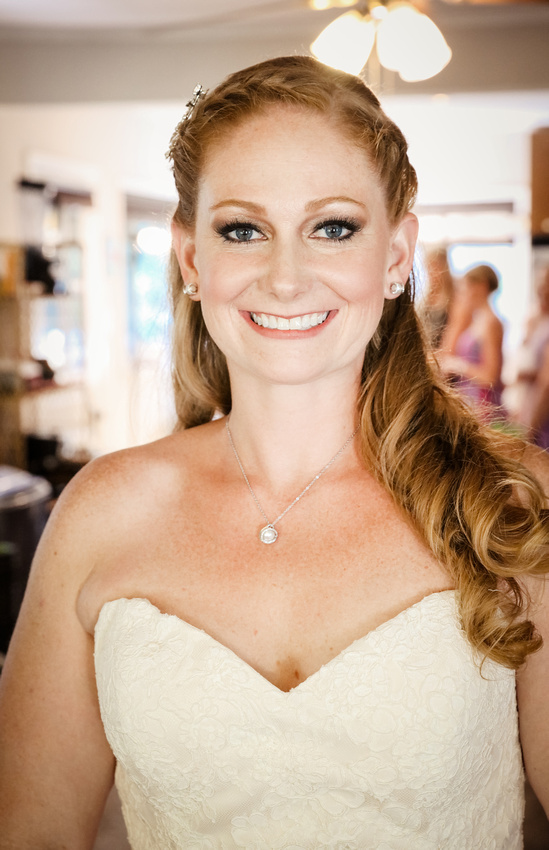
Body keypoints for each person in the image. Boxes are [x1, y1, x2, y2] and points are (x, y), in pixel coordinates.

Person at [0, 55, 548, 850]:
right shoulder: (100, 513)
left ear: (396, 254)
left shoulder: (512, 504)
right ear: (193, 259)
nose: (285, 278)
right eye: (243, 229)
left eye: (332, 228)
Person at [438, 263, 505, 420]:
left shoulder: (490, 323)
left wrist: (457, 365)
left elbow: (490, 376)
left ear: (481, 287)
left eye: (465, 287)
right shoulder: (476, 320)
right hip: (469, 399)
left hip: (483, 404)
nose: (462, 294)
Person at [514, 266, 549, 448]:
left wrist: (531, 429)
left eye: (547, 284)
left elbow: (546, 383)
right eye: (541, 283)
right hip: (531, 405)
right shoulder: (538, 319)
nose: (542, 289)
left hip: (543, 417)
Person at [419, 245, 454, 349]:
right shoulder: (425, 296)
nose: (431, 272)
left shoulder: (453, 296)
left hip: (442, 353)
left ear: (444, 267)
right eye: (428, 267)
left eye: (435, 267)